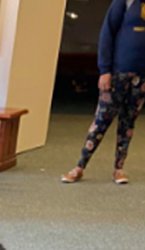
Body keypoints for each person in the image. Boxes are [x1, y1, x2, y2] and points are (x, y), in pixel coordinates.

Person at [62, 0, 145, 185]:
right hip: (117, 74)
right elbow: (107, 34)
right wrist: (105, 70)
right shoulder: (124, 2)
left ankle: (119, 169)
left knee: (128, 124)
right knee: (101, 122)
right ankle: (79, 167)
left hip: (141, 78)